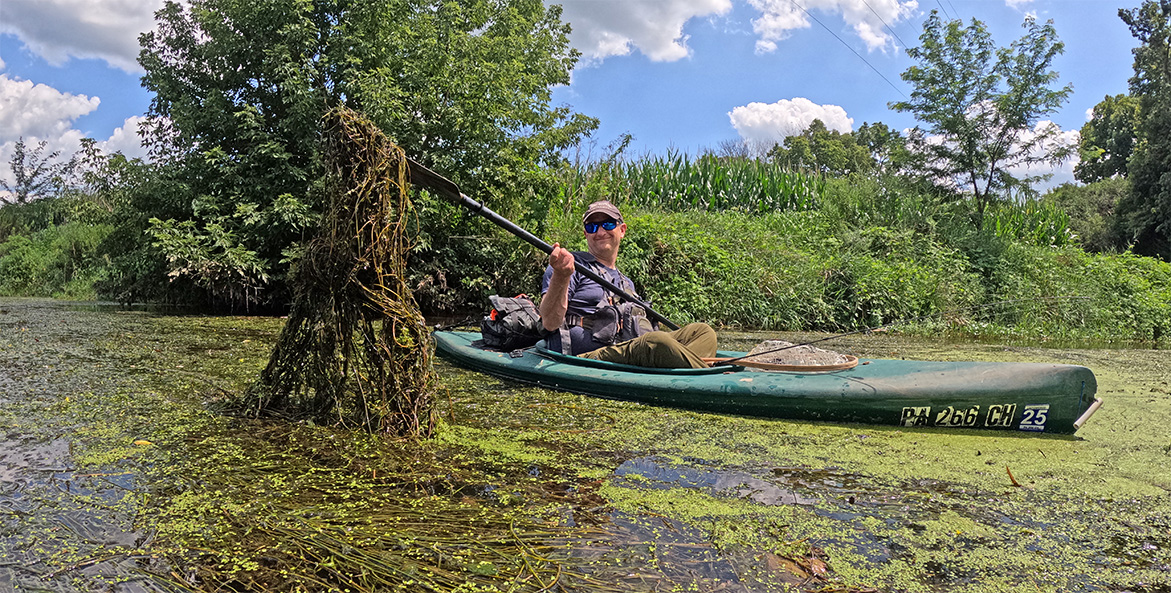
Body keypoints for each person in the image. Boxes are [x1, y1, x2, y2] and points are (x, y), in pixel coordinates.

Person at [538, 200, 718, 369]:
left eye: (608, 224)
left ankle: (683, 363)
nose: (600, 232)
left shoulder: (626, 282)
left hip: (629, 347)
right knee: (656, 342)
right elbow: (550, 322)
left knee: (703, 332)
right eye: (592, 227)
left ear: (622, 230)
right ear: (586, 234)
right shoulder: (569, 265)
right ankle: (700, 372)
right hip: (587, 355)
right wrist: (562, 276)